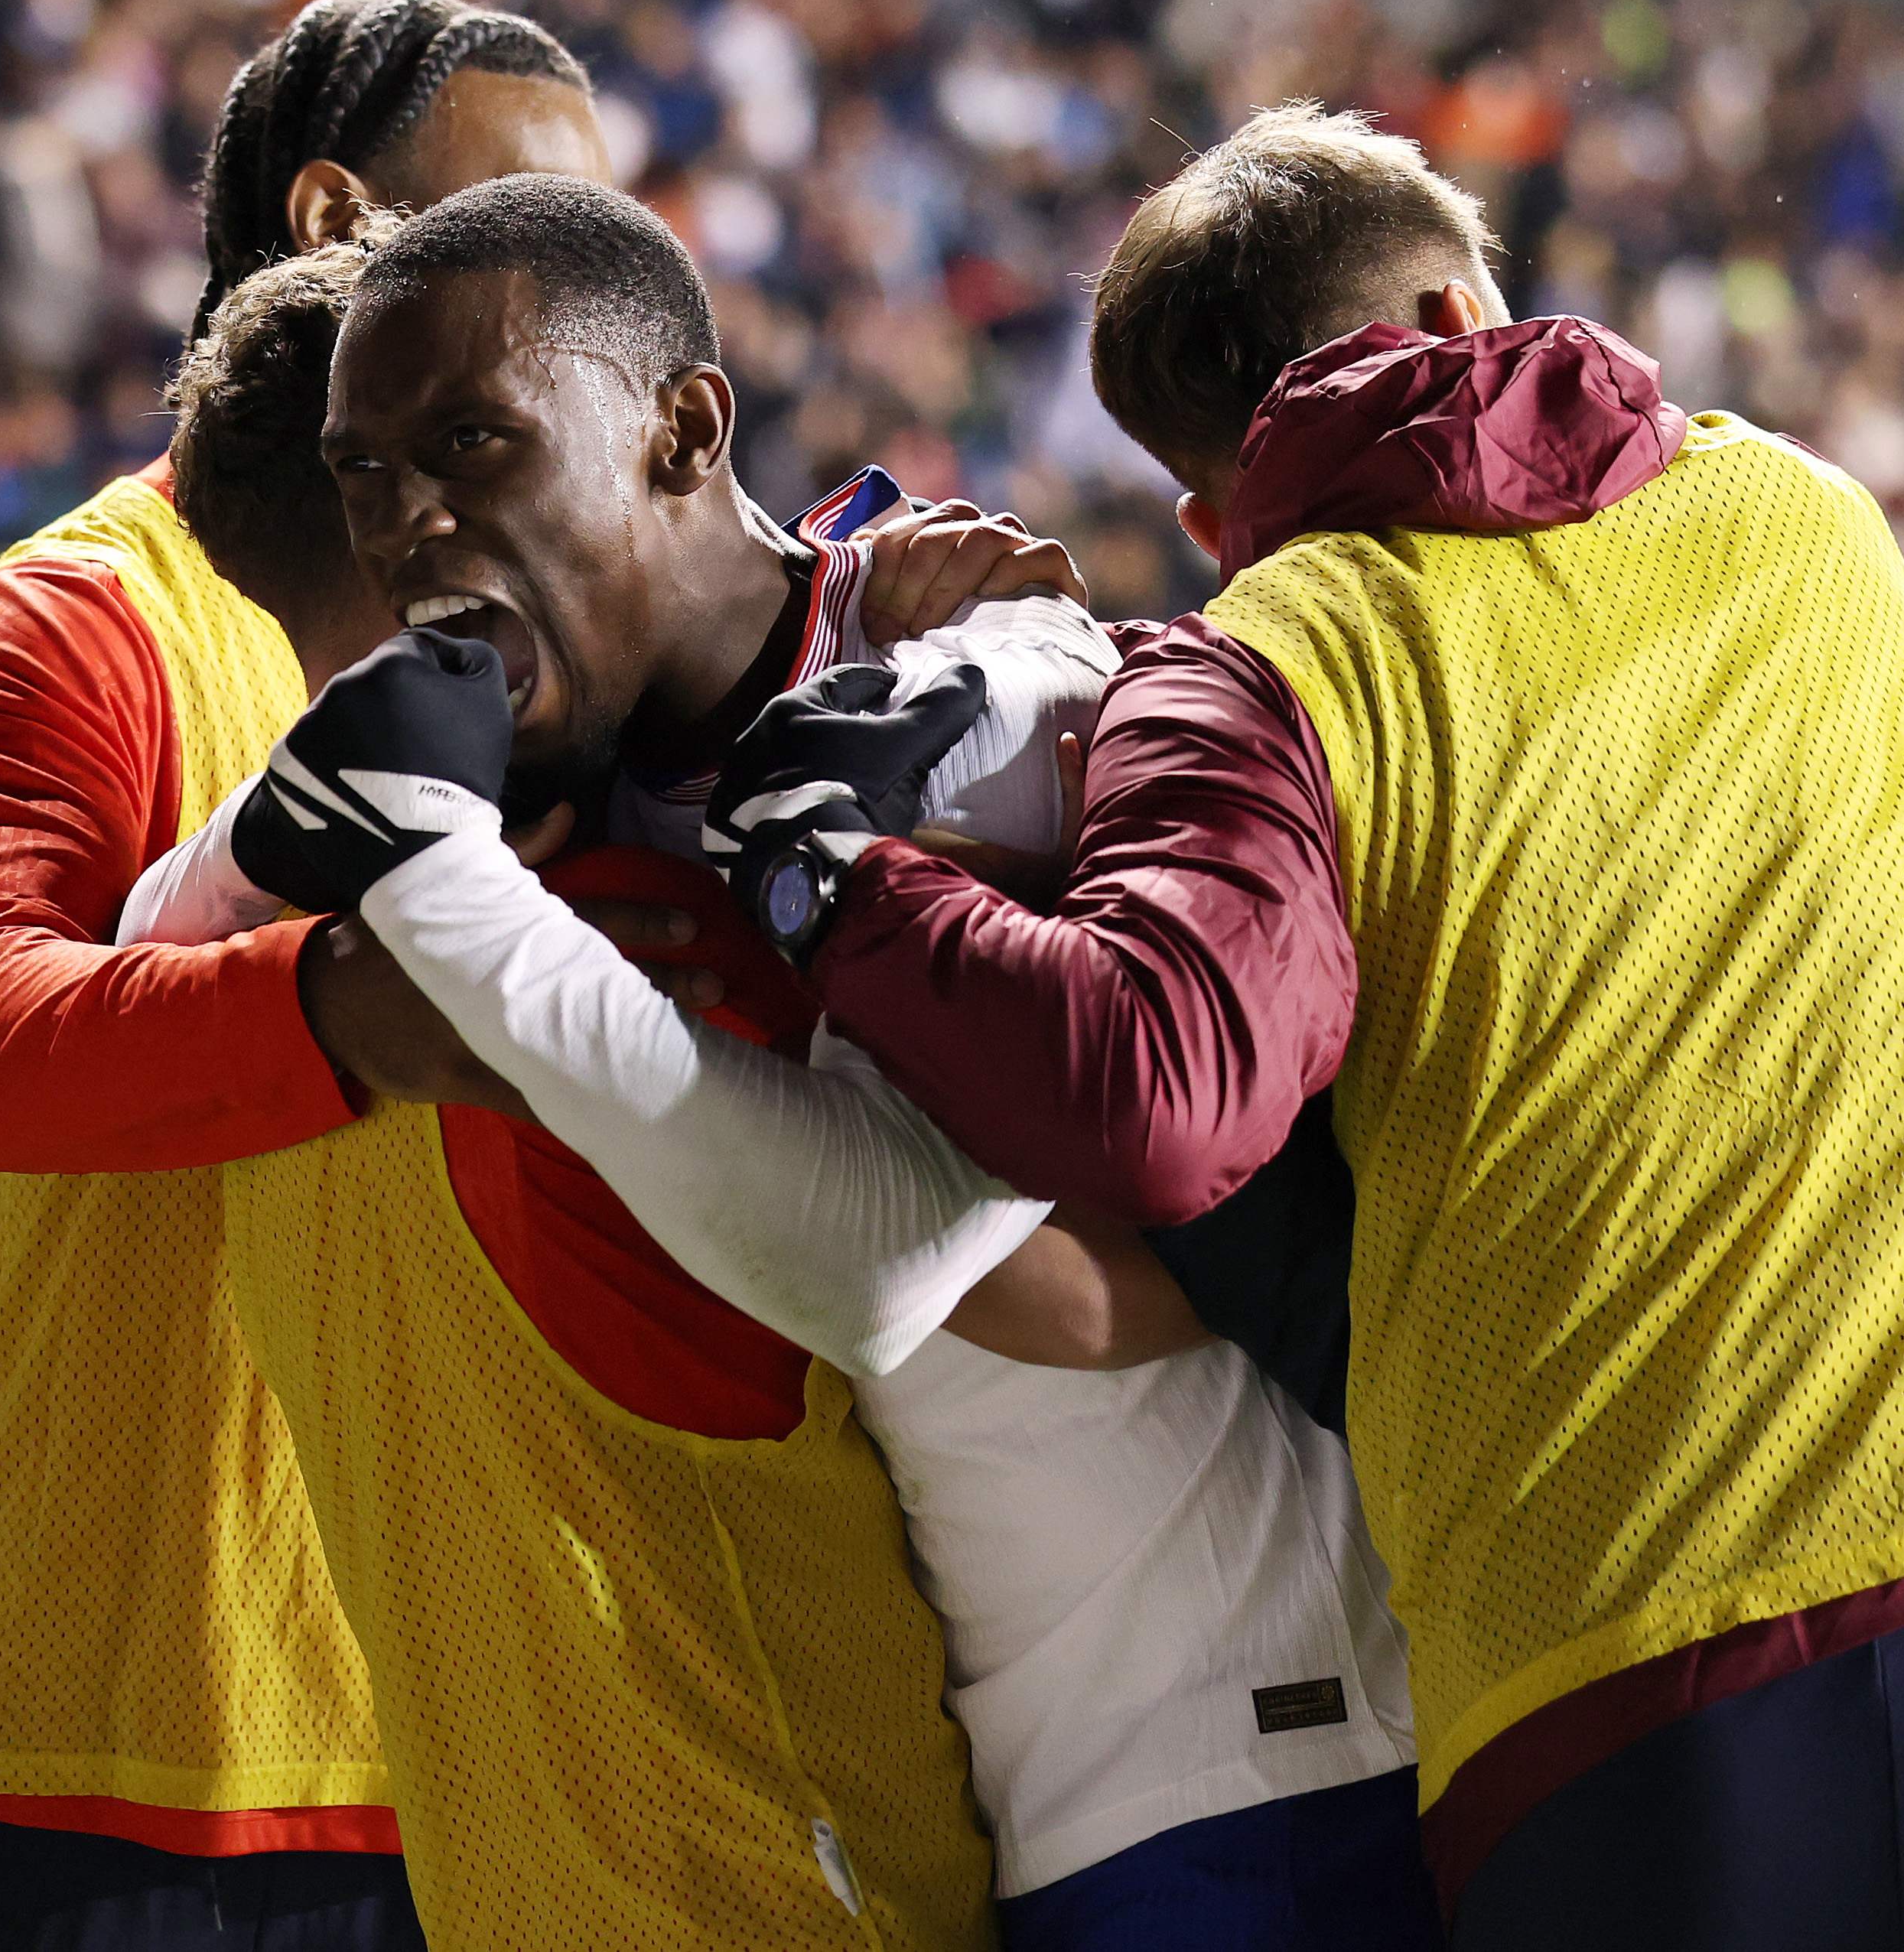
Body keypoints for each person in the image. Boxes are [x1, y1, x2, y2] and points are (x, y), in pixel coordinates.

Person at [707, 105, 1904, 1949]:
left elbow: (1159, 1090)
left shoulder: (1257, 658)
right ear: (1468, 307)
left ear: (1204, 510)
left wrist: (844, 879)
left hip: (1622, 1666)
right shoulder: (1808, 509)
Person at [125, 177, 1434, 1950]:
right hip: (1036, 1776)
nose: (416, 522)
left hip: (1265, 1735)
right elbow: (145, 950)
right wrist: (298, 838)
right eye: (369, 476)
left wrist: (455, 912)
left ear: (679, 426)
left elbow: (1003, 1273)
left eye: (474, 441)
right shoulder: (564, 773)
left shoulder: (981, 697)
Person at [0, 0, 614, 1952]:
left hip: (448, 1753)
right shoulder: (69, 623)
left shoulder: (572, 653)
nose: (586, 292)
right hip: (74, 1740)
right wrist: (356, 1005)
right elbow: (7, 1050)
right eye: (531, 227)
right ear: (334, 219)